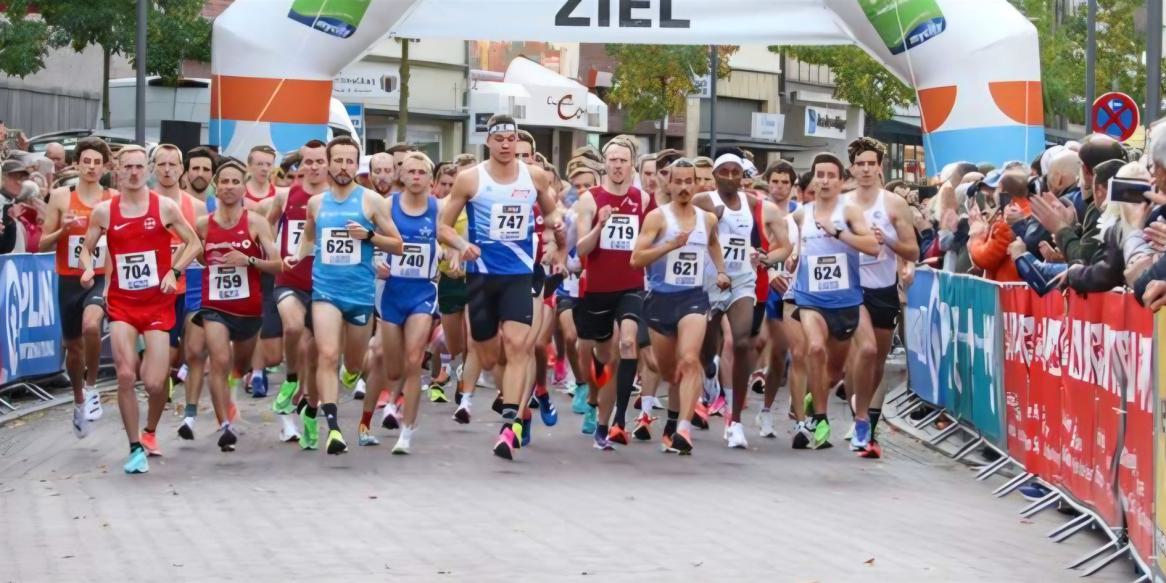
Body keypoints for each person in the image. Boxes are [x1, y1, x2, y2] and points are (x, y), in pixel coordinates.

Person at [437, 114, 561, 460]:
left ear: (517, 141)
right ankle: (503, 397)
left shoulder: (533, 177)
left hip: (519, 275)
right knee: (490, 354)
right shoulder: (469, 179)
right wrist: (462, 246)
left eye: (511, 138)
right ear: (488, 142)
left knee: (519, 344)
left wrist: (555, 235)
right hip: (481, 276)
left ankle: (510, 425)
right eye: (499, 138)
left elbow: (551, 215)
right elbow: (442, 227)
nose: (506, 145)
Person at [78, 145, 201, 474]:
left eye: (138, 167)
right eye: (127, 167)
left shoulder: (165, 207)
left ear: (146, 170)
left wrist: (173, 272)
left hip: (158, 306)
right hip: (122, 305)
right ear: (117, 170)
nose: (133, 173)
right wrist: (88, 268)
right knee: (126, 374)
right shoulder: (104, 212)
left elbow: (194, 244)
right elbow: (86, 250)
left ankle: (149, 432)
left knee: (155, 383)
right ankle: (134, 448)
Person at [285, 136, 403, 455]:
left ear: (356, 164)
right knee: (326, 353)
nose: (343, 166)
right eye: (337, 160)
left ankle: (349, 375)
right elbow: (309, 237)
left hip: (361, 293)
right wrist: (298, 256)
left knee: (352, 363)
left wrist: (369, 236)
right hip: (326, 289)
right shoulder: (316, 203)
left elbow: (398, 244)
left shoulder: (371, 201)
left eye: (349, 160)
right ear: (327, 163)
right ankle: (333, 428)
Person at [631, 159, 729, 455]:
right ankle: (673, 422)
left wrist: (721, 271)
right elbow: (636, 259)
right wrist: (669, 246)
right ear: (668, 184)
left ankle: (683, 428)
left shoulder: (707, 219)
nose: (685, 187)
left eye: (690, 181)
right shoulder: (657, 219)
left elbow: (713, 244)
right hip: (661, 300)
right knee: (670, 371)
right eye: (679, 182)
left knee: (689, 360)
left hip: (693, 299)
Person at [783, 153, 880, 450]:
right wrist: (782, 257)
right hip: (810, 298)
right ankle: (823, 419)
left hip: (847, 299)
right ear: (813, 179)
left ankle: (829, 401)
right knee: (813, 348)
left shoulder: (849, 212)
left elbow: (873, 247)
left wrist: (838, 232)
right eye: (819, 175)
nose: (824, 181)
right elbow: (785, 248)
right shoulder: (800, 215)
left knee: (840, 368)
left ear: (841, 181)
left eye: (831, 175)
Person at [186, 159, 283, 451]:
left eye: (234, 182)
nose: (229, 187)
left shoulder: (255, 221)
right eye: (224, 182)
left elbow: (277, 265)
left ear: (243, 186)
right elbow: (195, 253)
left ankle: (236, 381)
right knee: (218, 359)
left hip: (249, 309)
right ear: (216, 187)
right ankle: (224, 425)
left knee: (237, 366)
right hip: (214, 306)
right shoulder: (202, 224)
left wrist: (248, 260)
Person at [573, 136, 652, 449]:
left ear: (631, 164)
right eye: (613, 160)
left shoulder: (643, 200)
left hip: (632, 286)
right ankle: (600, 418)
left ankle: (619, 420)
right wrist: (599, 226)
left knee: (628, 342)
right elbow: (581, 249)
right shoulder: (590, 199)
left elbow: (654, 239)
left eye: (623, 160)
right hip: (598, 290)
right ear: (604, 164)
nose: (618, 166)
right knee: (605, 360)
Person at [842, 137, 919, 456]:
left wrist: (886, 240)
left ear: (879, 167)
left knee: (876, 361)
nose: (866, 169)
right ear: (852, 168)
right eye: (860, 164)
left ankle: (866, 424)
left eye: (871, 163)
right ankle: (860, 421)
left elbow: (913, 249)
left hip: (883, 288)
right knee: (864, 352)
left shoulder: (893, 204)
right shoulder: (842, 203)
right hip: (850, 288)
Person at [39, 137, 113, 438]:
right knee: (72, 347)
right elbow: (42, 243)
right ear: (77, 164)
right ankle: (79, 399)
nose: (92, 167)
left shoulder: (113, 198)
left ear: (105, 166)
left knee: (92, 326)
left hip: (99, 276)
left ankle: (93, 387)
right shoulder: (60, 197)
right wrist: (63, 229)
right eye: (87, 162)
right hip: (69, 278)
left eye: (97, 163)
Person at [690, 154, 765, 449]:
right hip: (709, 280)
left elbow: (760, 234)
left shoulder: (753, 202)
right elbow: (693, 215)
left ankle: (735, 420)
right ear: (716, 175)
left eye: (736, 172)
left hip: (742, 279)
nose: (731, 176)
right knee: (708, 348)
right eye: (725, 171)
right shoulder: (704, 200)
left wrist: (765, 253)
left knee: (743, 340)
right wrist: (713, 219)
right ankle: (709, 373)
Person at [370, 152, 442, 454]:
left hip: (422, 294)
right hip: (391, 293)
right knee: (395, 366)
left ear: (430, 179)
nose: (415, 177)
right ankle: (386, 404)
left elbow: (450, 234)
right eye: (410, 172)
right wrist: (376, 262)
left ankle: (407, 433)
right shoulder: (388, 205)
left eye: (421, 172)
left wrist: (450, 252)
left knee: (414, 361)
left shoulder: (439, 208)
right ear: (403, 176)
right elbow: (369, 239)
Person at [267, 140, 329, 447]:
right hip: (289, 278)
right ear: (300, 164)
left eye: (320, 161)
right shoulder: (285, 195)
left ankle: (310, 417)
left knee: (315, 357)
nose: (314, 167)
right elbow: (263, 229)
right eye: (309, 162)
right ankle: (291, 379)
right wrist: (271, 257)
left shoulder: (338, 198)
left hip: (325, 283)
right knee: (292, 326)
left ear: (328, 163)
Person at [756, 160, 798, 438]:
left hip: (796, 289)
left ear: (793, 186)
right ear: (768, 182)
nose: (780, 187)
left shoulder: (800, 214)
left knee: (800, 354)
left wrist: (796, 258)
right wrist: (770, 271)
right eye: (776, 181)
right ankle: (767, 409)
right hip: (768, 288)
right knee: (776, 351)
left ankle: (798, 413)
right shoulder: (759, 213)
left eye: (785, 182)